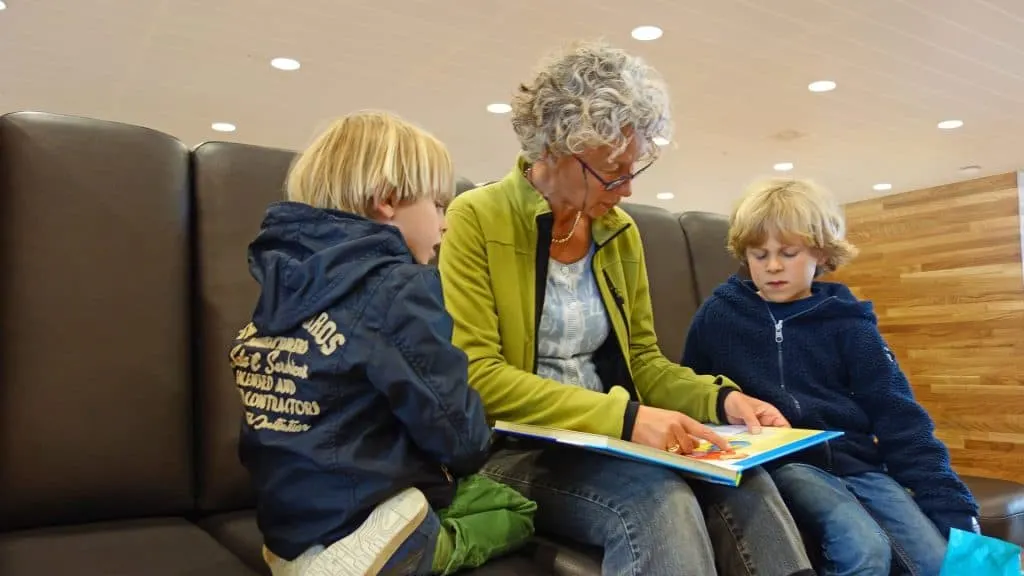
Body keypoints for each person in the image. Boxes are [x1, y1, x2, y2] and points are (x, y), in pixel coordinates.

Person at [438, 40, 815, 576]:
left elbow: (644, 362)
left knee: (747, 484)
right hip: (516, 450)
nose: (628, 187)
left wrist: (723, 400)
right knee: (660, 502)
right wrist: (628, 418)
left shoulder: (619, 232)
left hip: (615, 439)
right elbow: (478, 377)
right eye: (612, 170)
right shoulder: (477, 218)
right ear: (556, 149)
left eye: (633, 166)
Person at [231, 110, 537, 576]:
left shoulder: (282, 276)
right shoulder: (397, 286)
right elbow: (454, 429)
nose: (445, 225)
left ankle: (306, 558)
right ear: (388, 200)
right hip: (361, 509)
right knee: (513, 508)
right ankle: (406, 545)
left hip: (286, 517)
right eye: (439, 205)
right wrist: (474, 448)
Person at [682, 177, 980, 576]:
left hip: (860, 465)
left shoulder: (849, 323)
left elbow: (900, 416)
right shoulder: (719, 316)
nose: (771, 266)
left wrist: (953, 509)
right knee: (863, 548)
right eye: (758, 254)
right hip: (786, 463)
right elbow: (690, 388)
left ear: (820, 253)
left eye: (788, 253)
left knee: (938, 562)